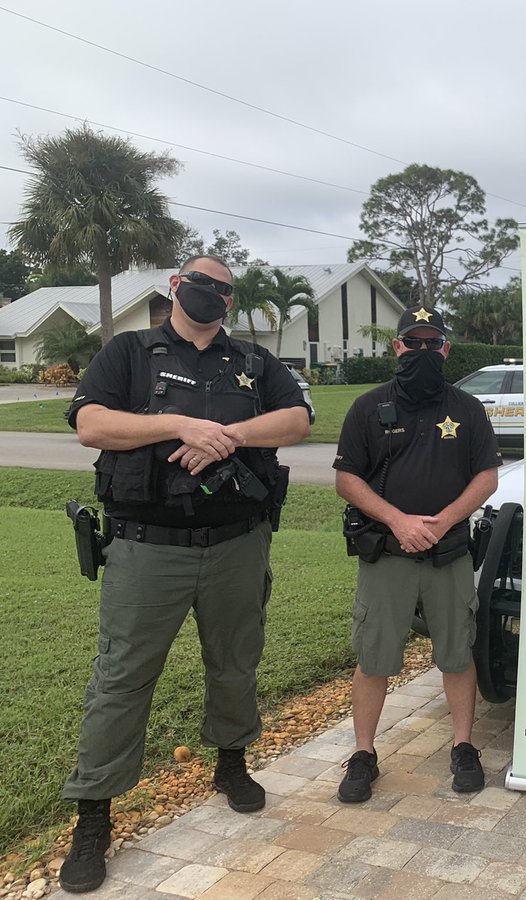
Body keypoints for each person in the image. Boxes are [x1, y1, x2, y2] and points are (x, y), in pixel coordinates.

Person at [58, 255, 311, 894]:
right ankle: (95, 814)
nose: (215, 296)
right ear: (176, 286)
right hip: (148, 549)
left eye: (226, 290)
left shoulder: (252, 363)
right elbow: (90, 424)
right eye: (204, 285)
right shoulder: (129, 353)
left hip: (236, 544)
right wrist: (178, 423)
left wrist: (222, 435)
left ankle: (230, 763)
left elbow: (298, 420)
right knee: (122, 676)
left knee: (235, 661)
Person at [333, 306, 500, 803]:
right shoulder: (368, 407)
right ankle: (363, 754)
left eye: (433, 344)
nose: (423, 351)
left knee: (456, 652)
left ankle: (464, 746)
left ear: (446, 350)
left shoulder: (468, 408)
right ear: (396, 348)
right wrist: (399, 522)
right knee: (375, 657)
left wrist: (443, 520)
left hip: (448, 552)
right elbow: (347, 479)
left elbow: (486, 477)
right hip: (388, 552)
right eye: (414, 342)